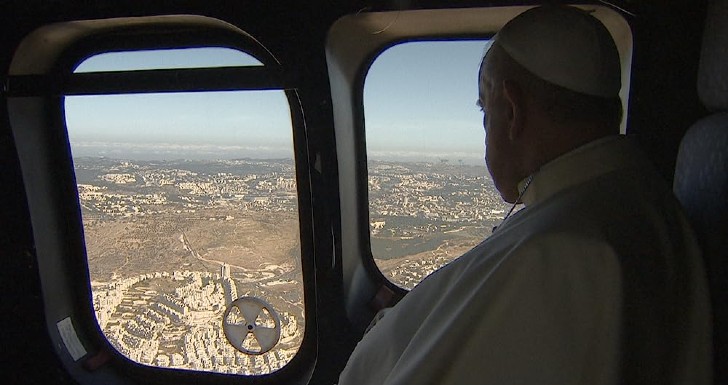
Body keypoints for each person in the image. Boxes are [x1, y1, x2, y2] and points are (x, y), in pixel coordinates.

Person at [338, 5, 712, 385]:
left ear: (513, 111)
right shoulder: (633, 200)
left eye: (486, 112)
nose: (486, 131)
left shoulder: (558, 253)